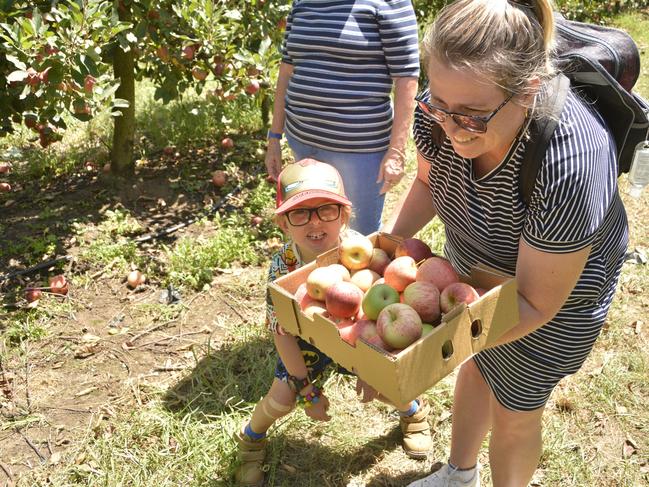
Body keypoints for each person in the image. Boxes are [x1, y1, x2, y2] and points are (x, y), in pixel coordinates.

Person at [382, 1, 629, 486]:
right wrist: (388, 247)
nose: (450, 129)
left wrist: (417, 352)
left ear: (528, 89)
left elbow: (534, 302)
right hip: (476, 267)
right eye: (439, 106)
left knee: (514, 408)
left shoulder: (570, 159)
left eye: (472, 116)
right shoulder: (445, 112)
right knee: (475, 364)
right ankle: (459, 475)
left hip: (552, 299)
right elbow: (431, 183)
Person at [234, 159, 432, 486]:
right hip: (305, 343)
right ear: (283, 223)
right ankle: (251, 438)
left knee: (390, 386)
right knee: (282, 399)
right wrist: (306, 390)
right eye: (300, 213)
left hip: (351, 336)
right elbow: (282, 334)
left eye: (326, 210)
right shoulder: (283, 270)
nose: (315, 222)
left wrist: (371, 367)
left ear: (343, 215)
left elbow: (369, 314)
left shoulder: (360, 251)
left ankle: (412, 411)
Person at [263, 0, 420, 236]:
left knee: (358, 235)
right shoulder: (302, 2)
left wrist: (396, 152)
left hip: (358, 150)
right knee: (315, 228)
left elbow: (406, 77)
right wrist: (274, 137)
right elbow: (287, 69)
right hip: (303, 141)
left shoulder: (389, 3)